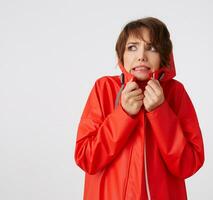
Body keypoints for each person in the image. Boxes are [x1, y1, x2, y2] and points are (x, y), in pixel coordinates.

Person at [74, 17, 205, 200]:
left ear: (164, 56)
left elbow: (189, 164)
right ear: (122, 55)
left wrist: (160, 112)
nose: (141, 56)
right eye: (132, 47)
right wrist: (123, 115)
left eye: (152, 48)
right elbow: (86, 158)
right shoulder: (104, 88)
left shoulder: (175, 93)